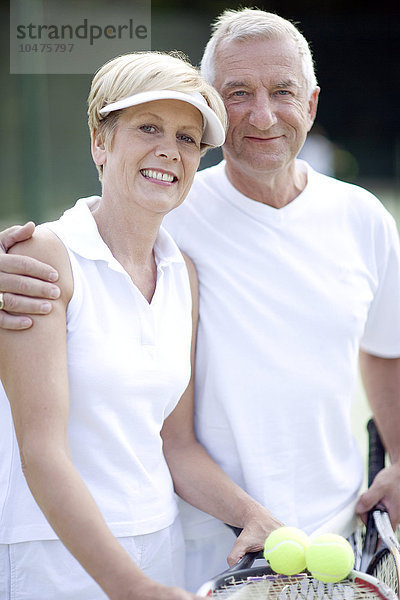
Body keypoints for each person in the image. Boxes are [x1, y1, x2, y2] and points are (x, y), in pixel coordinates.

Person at [1, 7, 400, 592]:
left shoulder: (354, 220)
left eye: (282, 91)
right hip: (166, 552)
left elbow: (385, 347)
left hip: (300, 537)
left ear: (311, 104)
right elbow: (43, 447)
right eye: (238, 92)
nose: (262, 114)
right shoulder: (119, 231)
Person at [0, 50, 281, 600]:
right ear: (100, 144)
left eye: (186, 138)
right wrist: (128, 586)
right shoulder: (42, 258)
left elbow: (175, 445)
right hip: (54, 560)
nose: (168, 151)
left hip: (159, 548)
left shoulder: (184, 276)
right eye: (147, 127)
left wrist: (253, 514)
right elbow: (42, 452)